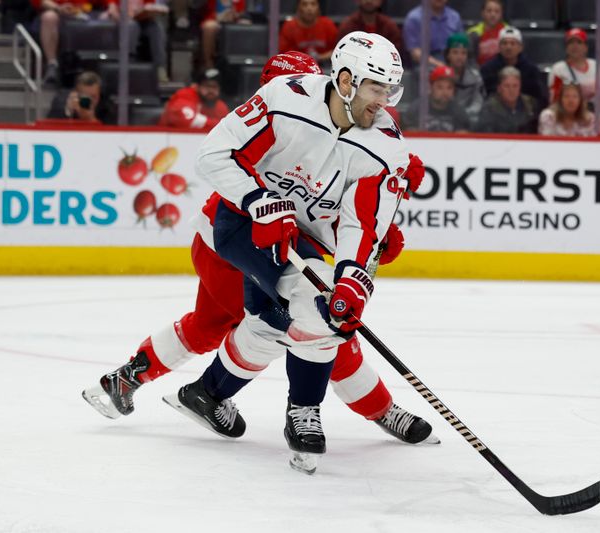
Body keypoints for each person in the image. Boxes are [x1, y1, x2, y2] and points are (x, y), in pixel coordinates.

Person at [83, 48, 435, 463]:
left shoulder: (351, 127)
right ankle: (373, 409)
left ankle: (130, 381)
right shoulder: (284, 112)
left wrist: (376, 224)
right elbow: (241, 176)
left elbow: (322, 212)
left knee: (218, 325)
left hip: (269, 241)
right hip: (232, 239)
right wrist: (264, 205)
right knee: (311, 324)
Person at [169, 32, 423, 473]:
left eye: (389, 91)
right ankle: (304, 413)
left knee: (277, 322)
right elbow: (213, 154)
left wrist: (354, 278)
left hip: (301, 239)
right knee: (317, 310)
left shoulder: (384, 147)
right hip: (243, 224)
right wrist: (259, 202)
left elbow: (360, 225)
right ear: (345, 80)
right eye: (375, 89)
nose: (383, 102)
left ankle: (208, 393)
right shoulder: (286, 99)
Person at [29, 0, 107, 86]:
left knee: (106, 17)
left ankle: (101, 69)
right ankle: (52, 65)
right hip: (55, 11)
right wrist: (58, 8)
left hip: (86, 12)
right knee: (49, 17)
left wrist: (111, 7)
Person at [480, 26, 548, 109]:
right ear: (499, 47)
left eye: (513, 43)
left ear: (520, 47)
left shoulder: (531, 70)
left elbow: (539, 98)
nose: (508, 47)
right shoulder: (487, 69)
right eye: (504, 43)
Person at [104, 0, 170, 82]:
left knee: (156, 29)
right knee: (133, 26)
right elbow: (112, 10)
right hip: (122, 20)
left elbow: (148, 7)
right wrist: (122, 16)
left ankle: (159, 68)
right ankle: (129, 65)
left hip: (142, 21)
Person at [548, 28, 600, 104]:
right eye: (571, 42)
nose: (575, 46)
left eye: (579, 42)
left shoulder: (598, 67)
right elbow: (554, 100)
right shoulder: (558, 69)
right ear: (566, 48)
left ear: (586, 47)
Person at [403, 65, 471, 132]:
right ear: (431, 87)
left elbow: (462, 136)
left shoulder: (459, 112)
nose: (445, 92)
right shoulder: (416, 109)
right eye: (440, 87)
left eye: (449, 88)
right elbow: (411, 136)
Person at [158, 68, 229, 131]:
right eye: (207, 86)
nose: (210, 90)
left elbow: (229, 128)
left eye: (214, 87)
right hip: (169, 140)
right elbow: (186, 121)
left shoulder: (221, 107)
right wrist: (220, 125)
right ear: (197, 86)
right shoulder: (185, 95)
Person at [475, 66, 538, 134]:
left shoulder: (530, 105)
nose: (511, 90)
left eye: (515, 86)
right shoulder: (489, 109)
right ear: (499, 88)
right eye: (507, 86)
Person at [402, 0, 462, 68]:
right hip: (424, 65)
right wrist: (441, 66)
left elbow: (460, 46)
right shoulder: (414, 18)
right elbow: (415, 52)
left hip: (450, 60)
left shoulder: (455, 17)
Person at [279, 0, 339, 64]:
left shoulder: (328, 24)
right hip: (297, 66)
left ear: (318, 7)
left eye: (313, 4)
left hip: (324, 65)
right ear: (298, 7)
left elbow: (336, 50)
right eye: (304, 4)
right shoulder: (289, 27)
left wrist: (319, 57)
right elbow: (285, 55)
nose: (309, 8)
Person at [444, 33, 484, 124]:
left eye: (463, 53)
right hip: (444, 117)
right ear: (448, 55)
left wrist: (463, 115)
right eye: (455, 52)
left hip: (468, 118)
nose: (459, 57)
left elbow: (478, 102)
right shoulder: (440, 76)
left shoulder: (475, 77)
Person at [46, 70, 113, 123]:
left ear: (99, 94)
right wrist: (68, 111)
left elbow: (112, 133)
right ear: (76, 93)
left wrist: (91, 119)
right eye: (85, 96)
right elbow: (49, 127)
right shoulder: (61, 100)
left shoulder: (105, 106)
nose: (89, 101)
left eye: (93, 96)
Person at [337, 0, 402, 54]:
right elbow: (341, 51)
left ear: (381, 1)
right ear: (357, 1)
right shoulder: (347, 25)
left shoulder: (389, 26)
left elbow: (395, 53)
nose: (369, 1)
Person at [200, 0, 247, 69]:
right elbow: (206, 10)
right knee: (209, 27)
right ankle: (208, 63)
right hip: (215, 20)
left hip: (233, 20)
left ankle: (243, 62)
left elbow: (241, 12)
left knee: (245, 24)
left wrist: (235, 15)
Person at [467, 0, 508, 66]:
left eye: (497, 11)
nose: (493, 14)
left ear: (501, 14)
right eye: (489, 11)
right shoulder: (473, 33)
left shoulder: (508, 32)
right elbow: (470, 60)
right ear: (482, 13)